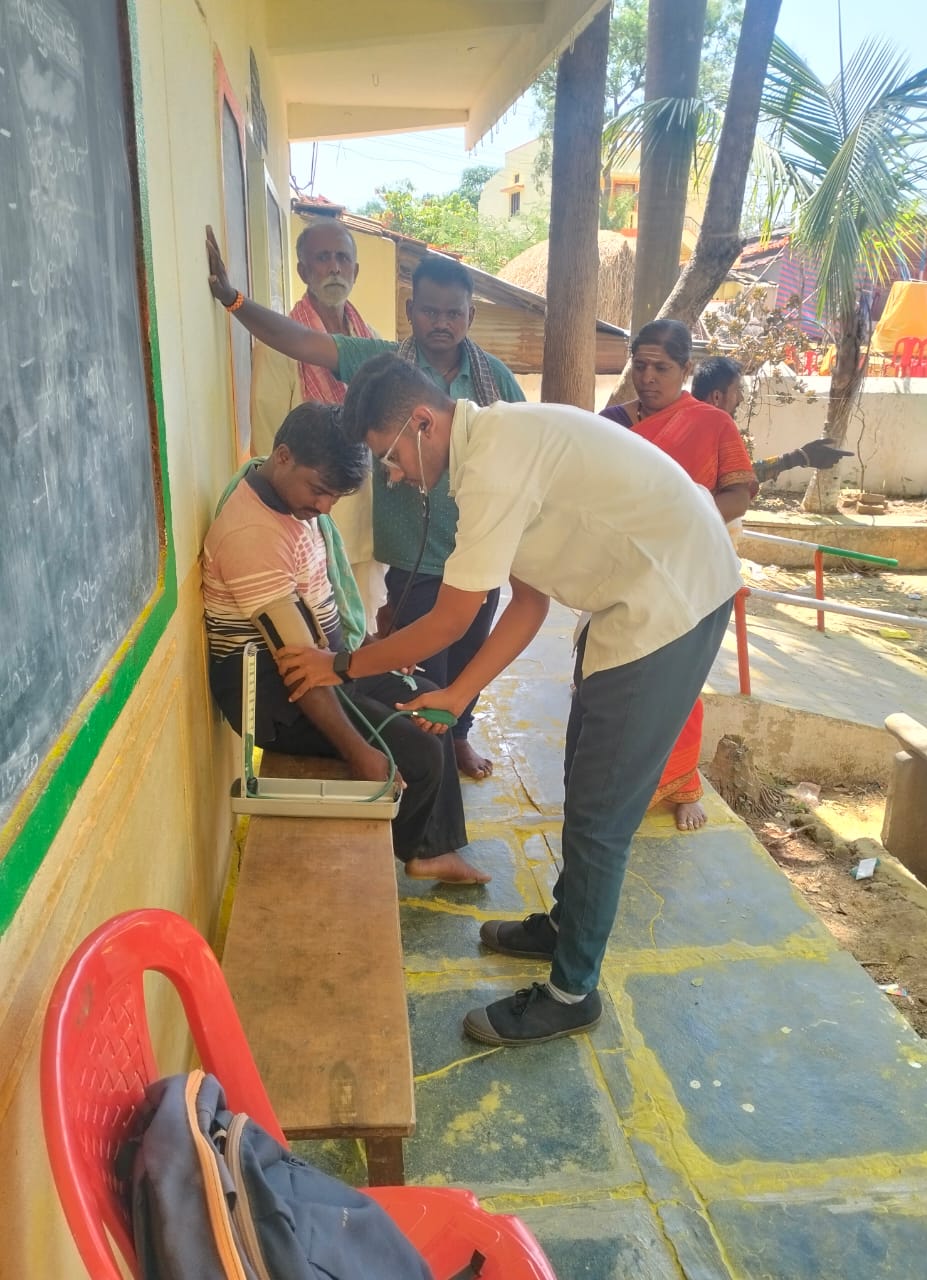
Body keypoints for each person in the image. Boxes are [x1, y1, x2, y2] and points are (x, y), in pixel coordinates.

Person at [273, 354, 743, 1047]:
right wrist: (457, 692)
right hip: (634, 595)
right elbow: (527, 602)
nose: (393, 475)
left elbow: (449, 620)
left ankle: (571, 993)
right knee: (583, 781)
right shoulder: (491, 448)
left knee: (601, 813)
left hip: (671, 602)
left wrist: (338, 666)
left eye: (389, 456)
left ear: (422, 422)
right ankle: (563, 925)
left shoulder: (492, 463)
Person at [207, 226, 523, 782]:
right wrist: (235, 302)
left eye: (454, 313)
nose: (442, 322)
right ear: (411, 311)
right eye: (430, 311)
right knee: (422, 671)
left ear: (471, 315)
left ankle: (458, 737)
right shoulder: (386, 367)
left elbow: (523, 446)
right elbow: (302, 343)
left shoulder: (494, 378)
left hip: (479, 548)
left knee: (470, 654)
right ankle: (437, 750)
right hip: (414, 558)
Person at [201, 399, 489, 885]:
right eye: (319, 491)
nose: (324, 508)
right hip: (274, 697)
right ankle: (420, 850)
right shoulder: (252, 534)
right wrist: (360, 752)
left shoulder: (286, 498)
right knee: (417, 747)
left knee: (430, 701)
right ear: (283, 456)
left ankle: (431, 848)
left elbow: (320, 624)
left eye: (335, 497)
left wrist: (366, 652)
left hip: (324, 666)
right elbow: (298, 668)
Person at [600, 322, 757, 832]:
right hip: (623, 571)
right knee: (617, 679)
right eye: (640, 365)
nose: (648, 377)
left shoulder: (712, 424)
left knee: (678, 686)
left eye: (662, 368)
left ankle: (681, 786)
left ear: (686, 369)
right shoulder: (611, 425)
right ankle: (619, 783)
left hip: (686, 572)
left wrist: (685, 519)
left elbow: (740, 493)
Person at [250, 219, 386, 625]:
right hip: (310, 522)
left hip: (366, 520)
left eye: (342, 258)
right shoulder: (280, 346)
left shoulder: (370, 341)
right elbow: (270, 439)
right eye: (323, 258)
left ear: (355, 270)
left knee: (366, 623)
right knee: (321, 628)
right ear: (303, 270)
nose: (334, 267)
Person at [690, 356, 854, 482]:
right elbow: (737, 483)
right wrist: (799, 457)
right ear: (717, 397)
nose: (740, 398)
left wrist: (800, 457)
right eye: (737, 390)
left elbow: (738, 476)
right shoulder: (701, 435)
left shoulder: (691, 423)